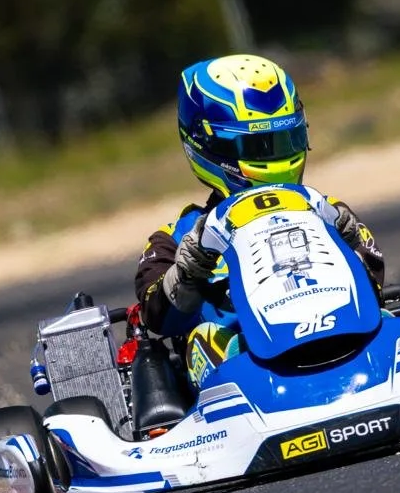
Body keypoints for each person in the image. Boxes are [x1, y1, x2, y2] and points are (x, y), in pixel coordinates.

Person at [135, 54, 386, 386]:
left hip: (340, 334)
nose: (276, 157)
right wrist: (190, 269)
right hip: (241, 361)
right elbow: (157, 316)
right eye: (258, 146)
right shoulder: (175, 238)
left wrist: (352, 242)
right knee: (206, 338)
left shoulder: (326, 211)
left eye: (285, 141)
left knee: (390, 314)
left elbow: (376, 279)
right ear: (208, 144)